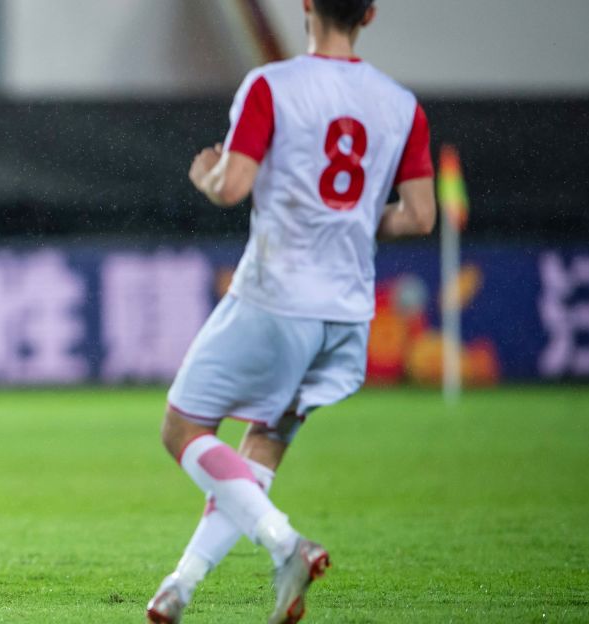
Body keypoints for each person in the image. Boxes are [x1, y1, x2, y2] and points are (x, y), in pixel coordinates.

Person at [146, 1, 435, 622]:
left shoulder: (272, 87)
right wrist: (355, 221)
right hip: (347, 314)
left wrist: (206, 175)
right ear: (371, 14)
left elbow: (232, 186)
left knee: (182, 429)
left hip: (277, 297)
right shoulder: (402, 105)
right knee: (261, 447)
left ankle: (286, 543)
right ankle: (180, 586)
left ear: (306, 4)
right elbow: (420, 216)